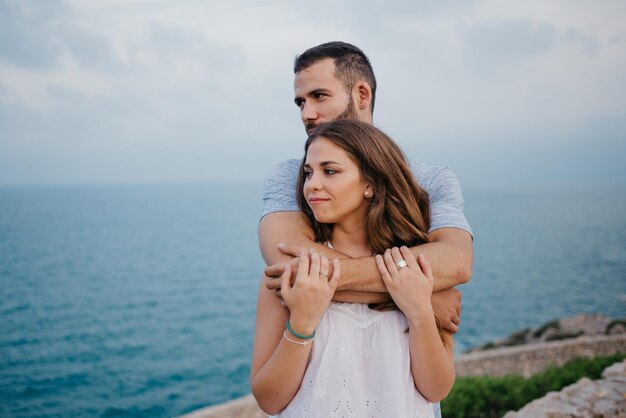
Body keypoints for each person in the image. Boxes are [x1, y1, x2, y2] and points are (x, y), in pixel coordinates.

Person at [254, 41, 473, 417]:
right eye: (300, 102)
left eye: (318, 96)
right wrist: (412, 288)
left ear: (361, 93)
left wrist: (412, 302)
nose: (307, 113)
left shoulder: (432, 180)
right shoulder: (288, 175)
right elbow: (286, 260)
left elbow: (455, 262)